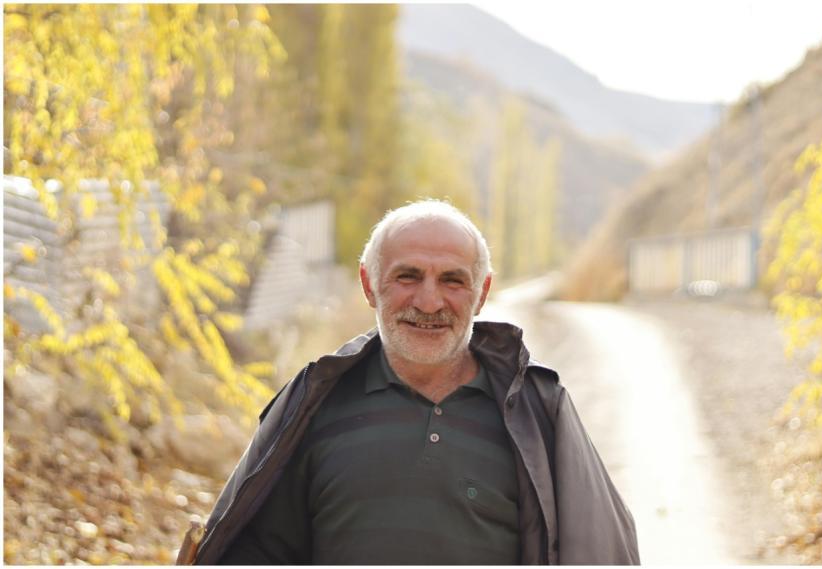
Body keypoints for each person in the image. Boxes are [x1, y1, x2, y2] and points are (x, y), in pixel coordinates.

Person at [181, 200, 639, 565]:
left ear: (481, 293)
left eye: (453, 280)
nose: (429, 300)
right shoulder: (315, 403)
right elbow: (258, 552)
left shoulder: (538, 411)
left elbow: (598, 551)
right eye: (408, 276)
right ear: (369, 284)